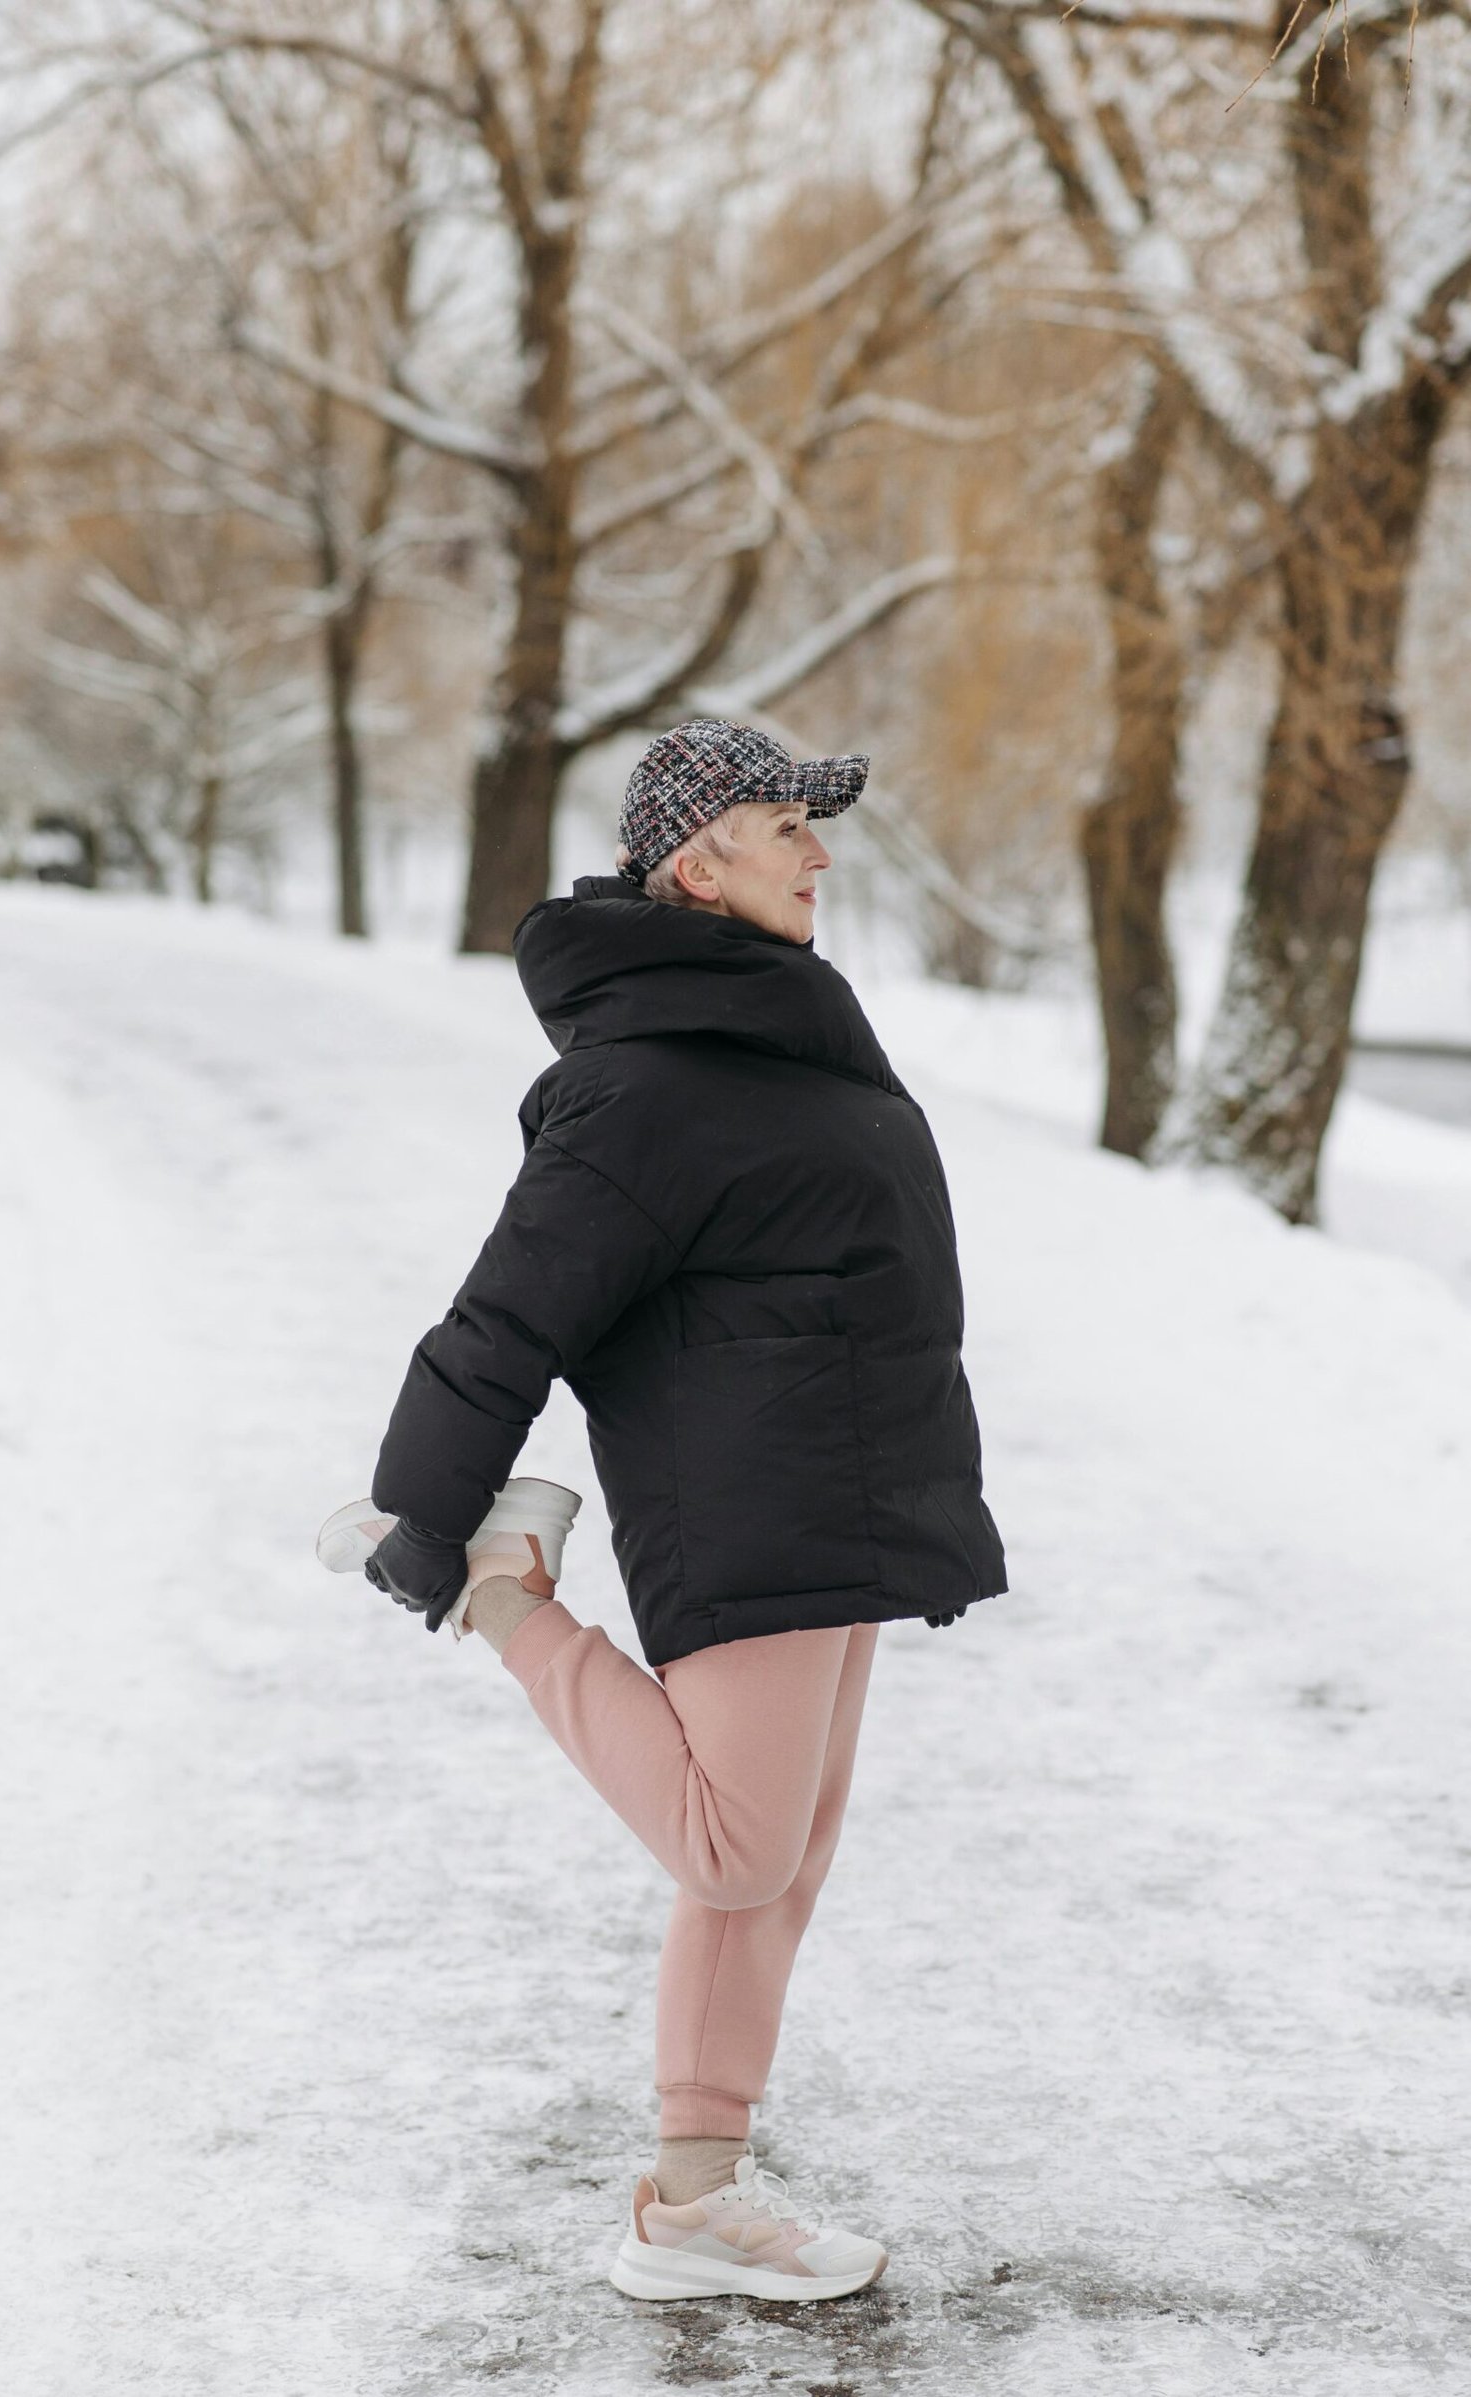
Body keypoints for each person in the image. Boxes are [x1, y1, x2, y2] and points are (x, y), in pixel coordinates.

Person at [363, 716, 1007, 2302]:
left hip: (848, 1482)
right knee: (733, 1844)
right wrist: (425, 1517)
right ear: (696, 854)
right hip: (750, 1498)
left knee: (784, 1862)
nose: (820, 853)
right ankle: (516, 1596)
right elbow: (506, 1312)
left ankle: (700, 2195)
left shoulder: (777, 1023)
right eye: (788, 825)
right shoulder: (640, 1081)